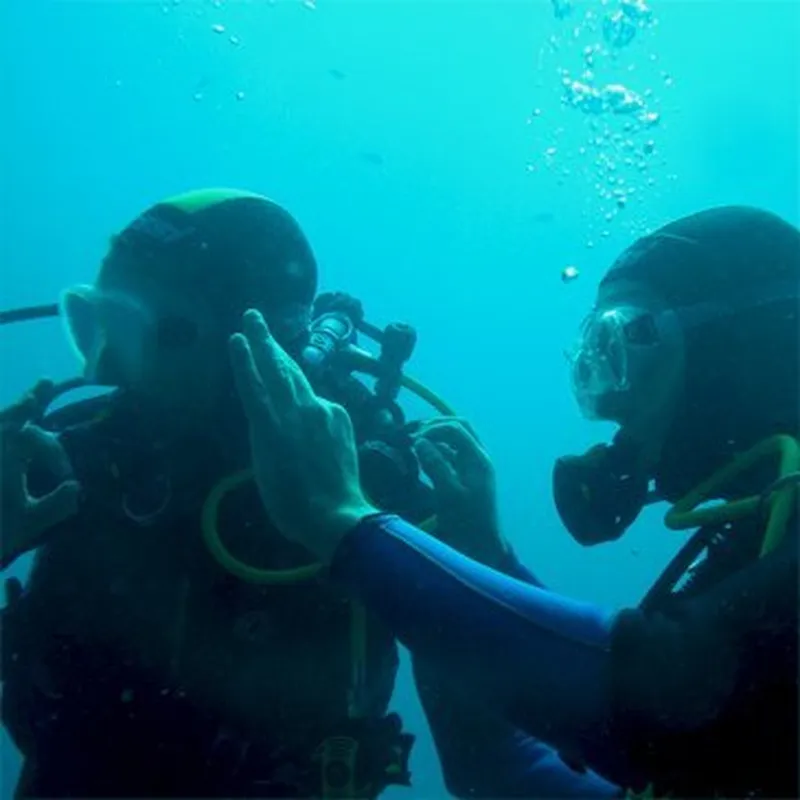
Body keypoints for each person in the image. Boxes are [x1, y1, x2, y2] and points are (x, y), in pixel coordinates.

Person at [227, 206, 799, 799]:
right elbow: (500, 768)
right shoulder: (757, 542)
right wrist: (479, 552)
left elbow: (666, 696)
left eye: (628, 346)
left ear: (745, 348)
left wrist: (345, 524)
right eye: (593, 360)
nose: (613, 403)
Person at [1, 186, 447, 798]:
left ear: (243, 344)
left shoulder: (359, 481)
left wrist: (388, 526)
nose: (100, 368)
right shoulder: (74, 456)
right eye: (90, 324)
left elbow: (497, 696)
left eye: (127, 331)